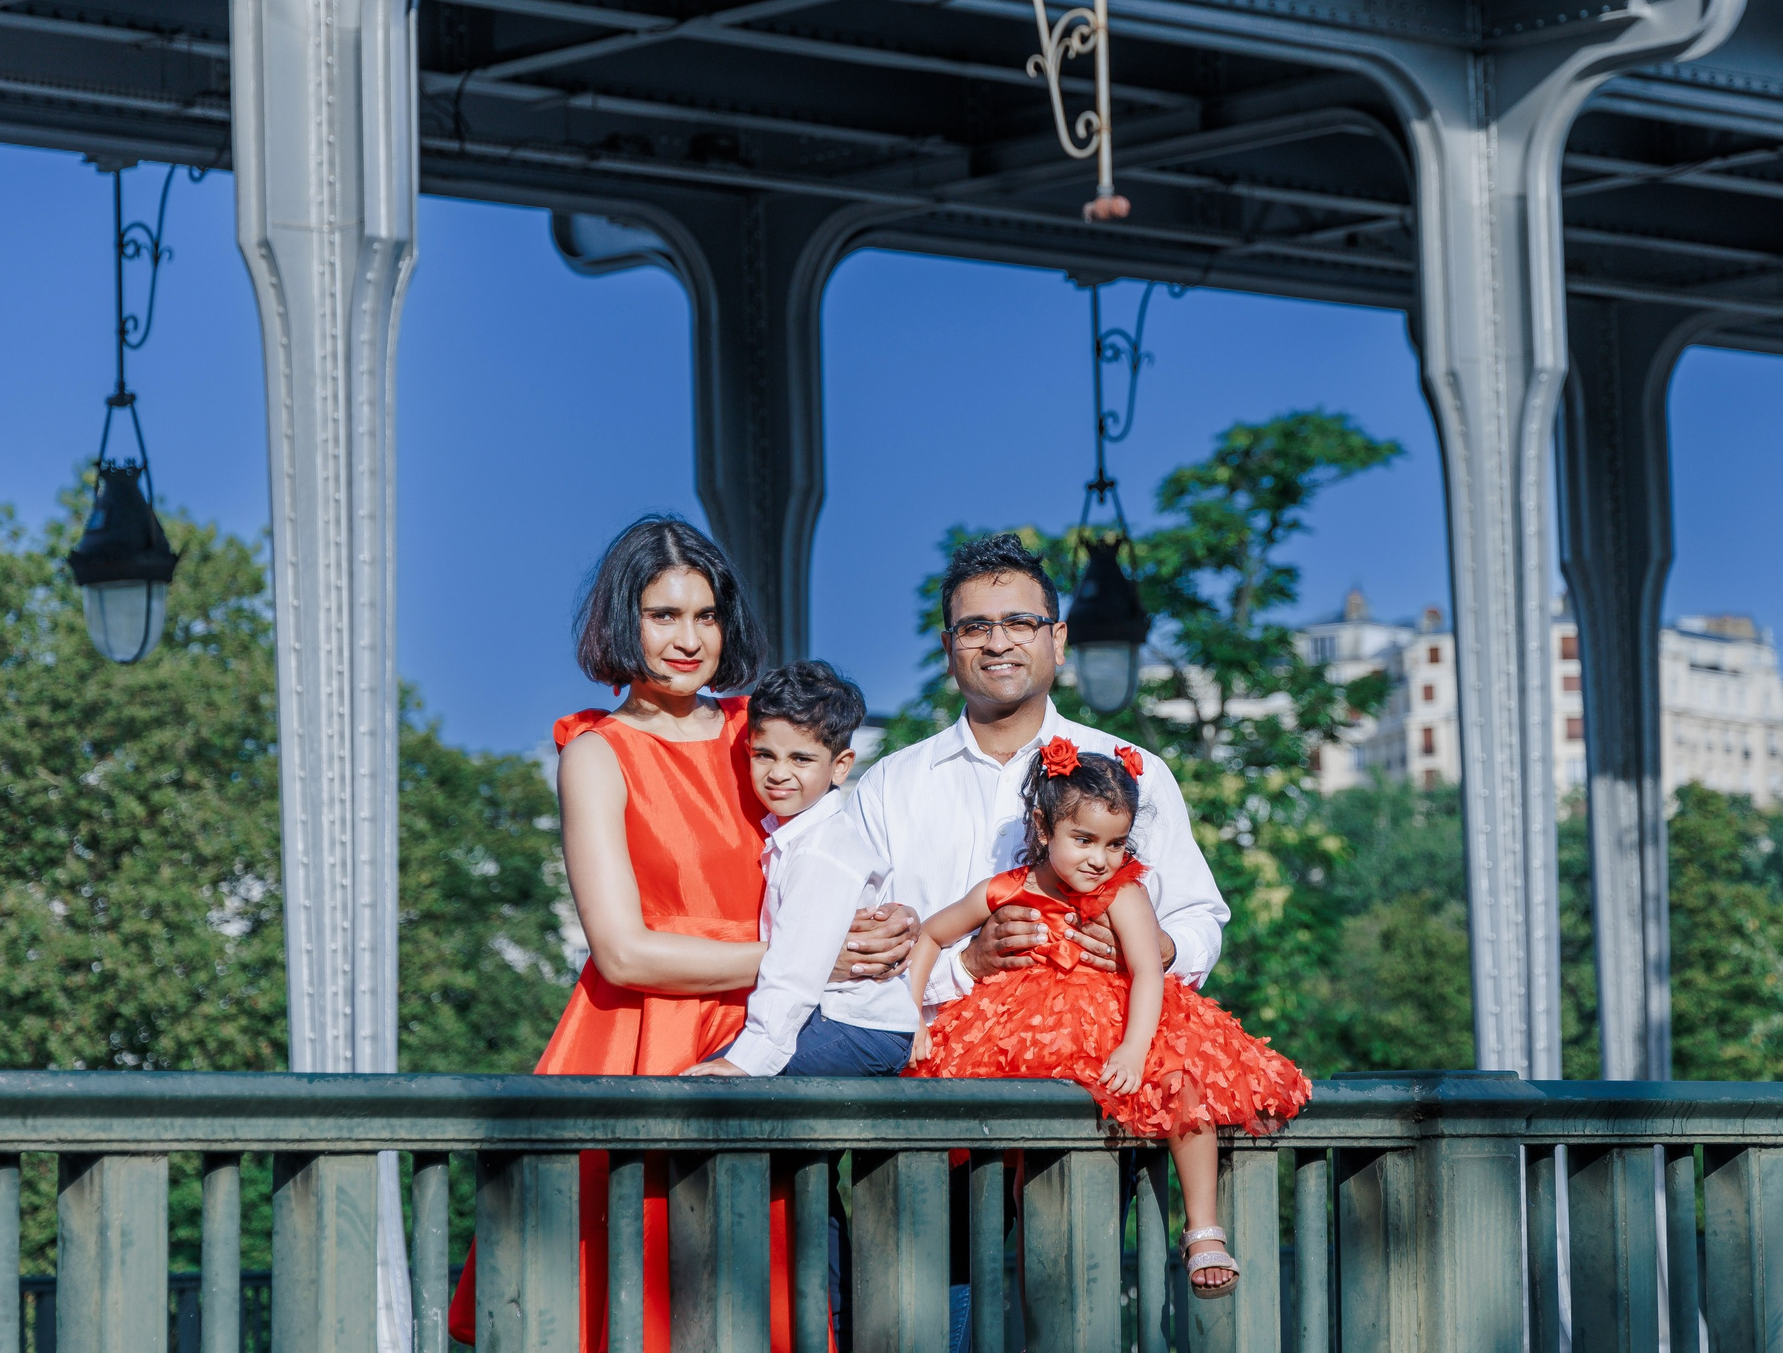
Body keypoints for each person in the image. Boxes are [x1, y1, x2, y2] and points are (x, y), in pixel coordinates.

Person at [448, 516, 913, 1352]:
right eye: (664, 615)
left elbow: (837, 854)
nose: (689, 638)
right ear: (623, 620)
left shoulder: (759, 733)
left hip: (771, 1028)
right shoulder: (597, 752)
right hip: (645, 1036)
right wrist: (805, 958)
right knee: (644, 1301)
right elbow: (621, 950)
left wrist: (893, 915)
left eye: (706, 615)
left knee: (769, 1297)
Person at [834, 532, 1233, 1316]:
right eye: (975, 626)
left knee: (1068, 1306)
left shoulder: (1131, 770)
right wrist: (965, 966)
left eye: (1019, 622)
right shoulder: (889, 786)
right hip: (936, 1102)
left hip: (1091, 1095)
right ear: (948, 646)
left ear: (1057, 637)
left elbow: (1200, 917)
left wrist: (1153, 946)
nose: (998, 642)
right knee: (925, 1316)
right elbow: (846, 950)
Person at [905, 740, 1310, 1297]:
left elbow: (1148, 971)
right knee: (1029, 1145)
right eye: (1084, 840)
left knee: (1183, 1086)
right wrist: (913, 1017)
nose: (1100, 858)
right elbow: (930, 935)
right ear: (1043, 828)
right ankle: (1036, 1283)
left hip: (1122, 1022)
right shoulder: (1008, 888)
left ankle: (1202, 1229)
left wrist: (1135, 1048)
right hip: (1029, 1029)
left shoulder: (1123, 894)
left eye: (1116, 844)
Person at [682, 660, 892, 1078]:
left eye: (801, 758)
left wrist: (748, 1060)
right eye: (764, 755)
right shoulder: (794, 837)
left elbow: (795, 966)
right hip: (840, 1020)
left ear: (841, 766)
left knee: (710, 1091)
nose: (778, 773)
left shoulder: (822, 851)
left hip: (856, 1025)